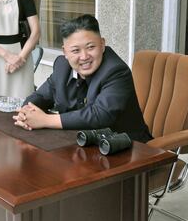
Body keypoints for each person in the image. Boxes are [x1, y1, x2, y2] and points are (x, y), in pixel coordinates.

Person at [13, 14, 152, 143]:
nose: (84, 56)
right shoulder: (62, 66)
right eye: (75, 50)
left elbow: (99, 115)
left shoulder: (116, 71)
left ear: (102, 44)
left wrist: (45, 120)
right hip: (79, 144)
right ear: (65, 52)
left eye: (91, 47)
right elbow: (41, 96)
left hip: (125, 147)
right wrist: (26, 114)